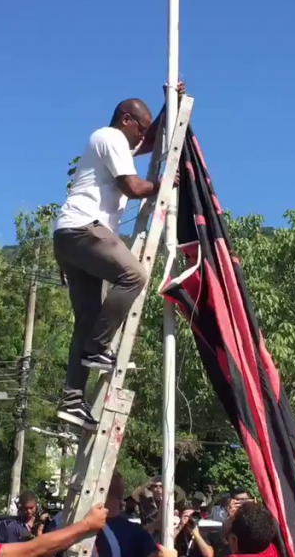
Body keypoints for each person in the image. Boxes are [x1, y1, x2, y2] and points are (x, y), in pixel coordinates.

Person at [53, 85, 185, 429]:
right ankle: (97, 347)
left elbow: (152, 141)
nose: (141, 137)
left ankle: (72, 398)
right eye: (139, 128)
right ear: (125, 119)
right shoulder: (110, 137)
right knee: (134, 276)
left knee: (85, 319)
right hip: (85, 230)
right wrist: (165, 184)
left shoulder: (116, 144)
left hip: (70, 236)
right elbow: (134, 188)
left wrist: (168, 106)